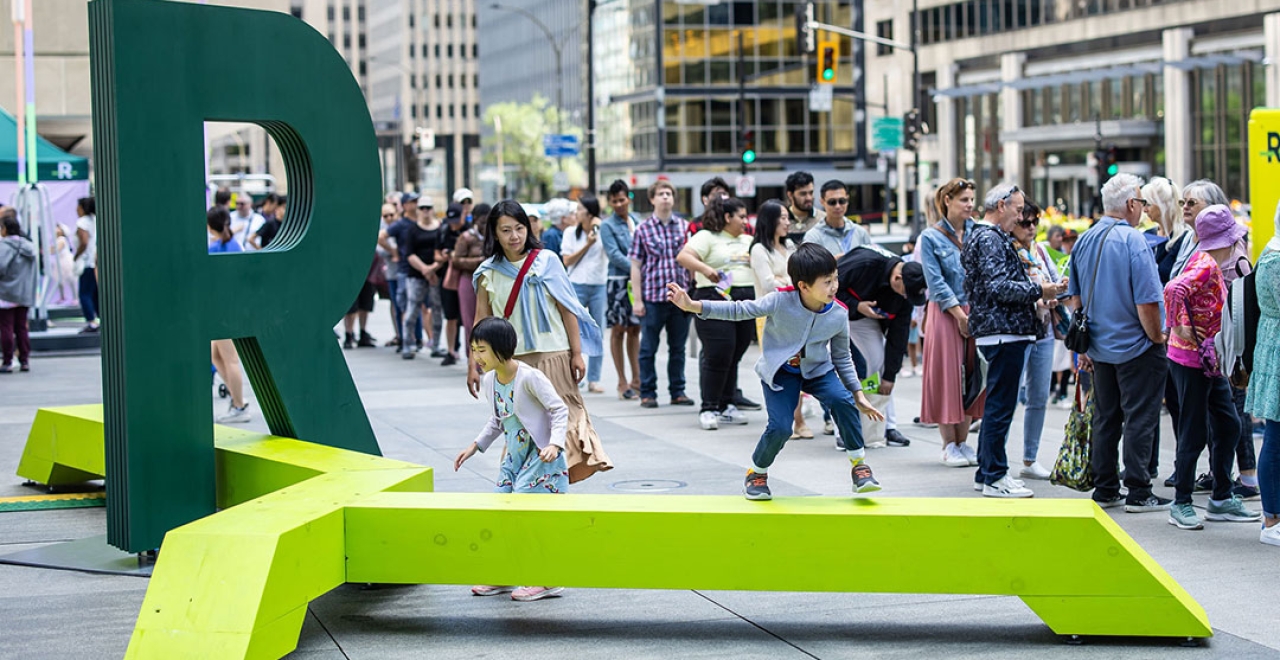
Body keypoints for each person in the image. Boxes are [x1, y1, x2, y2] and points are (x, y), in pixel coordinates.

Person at [665, 243, 886, 500]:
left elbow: (841, 356)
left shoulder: (838, 312)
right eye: (827, 282)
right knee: (781, 427)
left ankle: (860, 467)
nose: (834, 286)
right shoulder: (780, 301)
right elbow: (739, 309)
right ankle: (756, 472)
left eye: (835, 278)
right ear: (803, 285)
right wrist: (693, 306)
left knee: (842, 401)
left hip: (817, 371)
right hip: (780, 372)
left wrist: (857, 393)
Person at [470, 200, 612, 483]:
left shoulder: (547, 260)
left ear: (529, 227)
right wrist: (473, 363)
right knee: (521, 426)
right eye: (506, 230)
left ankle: (556, 482)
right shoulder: (487, 272)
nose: (514, 236)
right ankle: (521, 485)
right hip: (513, 361)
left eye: (519, 228)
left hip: (554, 354)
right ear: (494, 234)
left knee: (565, 416)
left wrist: (577, 353)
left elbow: (566, 308)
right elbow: (481, 323)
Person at [1065, 173, 1170, 513]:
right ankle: (1139, 489)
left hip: (1099, 346)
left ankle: (1106, 486)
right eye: (1140, 202)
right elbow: (1147, 301)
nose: (1141, 208)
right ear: (1129, 204)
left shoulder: (1085, 239)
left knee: (1106, 417)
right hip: (1136, 346)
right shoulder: (1132, 240)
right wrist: (1158, 337)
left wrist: (1084, 347)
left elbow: (1075, 297)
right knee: (1141, 416)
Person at [454, 316, 569, 602]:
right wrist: (475, 446)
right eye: (473, 349)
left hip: (541, 458)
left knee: (529, 518)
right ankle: (505, 573)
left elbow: (559, 409)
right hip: (514, 460)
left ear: (501, 348)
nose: (476, 356)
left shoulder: (530, 377)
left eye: (481, 349)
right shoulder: (491, 379)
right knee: (503, 513)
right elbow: (497, 420)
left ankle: (546, 579)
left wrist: (555, 444)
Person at [963, 185, 1067, 498]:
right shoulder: (990, 238)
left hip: (1002, 331)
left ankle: (987, 473)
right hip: (1003, 332)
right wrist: (1041, 292)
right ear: (1000, 205)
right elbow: (999, 287)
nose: (1021, 217)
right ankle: (995, 476)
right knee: (1000, 407)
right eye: (1018, 210)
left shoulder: (986, 237)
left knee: (997, 405)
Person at [1163, 204, 1261, 530]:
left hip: (1206, 360)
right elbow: (1173, 288)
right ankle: (1182, 502)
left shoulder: (1206, 261)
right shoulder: (1206, 264)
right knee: (1194, 431)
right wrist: (1177, 326)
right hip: (1192, 360)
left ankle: (1220, 497)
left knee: (1228, 424)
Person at [836, 243, 928, 449]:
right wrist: (855, 305)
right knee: (844, 370)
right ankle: (843, 430)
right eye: (906, 293)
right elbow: (827, 288)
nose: (906, 298)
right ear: (897, 278)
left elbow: (899, 336)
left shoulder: (904, 293)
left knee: (879, 369)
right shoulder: (864, 264)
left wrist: (890, 377)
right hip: (836, 310)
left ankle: (884, 427)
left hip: (867, 318)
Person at [677, 196, 756, 430]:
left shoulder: (749, 239)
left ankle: (727, 403)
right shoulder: (707, 236)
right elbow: (683, 256)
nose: (745, 220)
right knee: (718, 353)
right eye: (741, 216)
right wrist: (706, 269)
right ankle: (709, 407)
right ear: (727, 217)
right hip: (713, 298)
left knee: (735, 353)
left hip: (745, 302)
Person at [918, 178, 982, 467]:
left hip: (976, 309)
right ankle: (948, 444)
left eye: (971, 199)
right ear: (947, 201)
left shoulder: (979, 233)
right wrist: (960, 315)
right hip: (945, 311)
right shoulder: (930, 237)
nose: (969, 204)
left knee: (974, 374)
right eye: (963, 199)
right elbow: (936, 283)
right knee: (947, 376)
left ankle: (964, 442)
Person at [630, 180, 695, 409]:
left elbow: (692, 260)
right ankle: (648, 393)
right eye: (661, 194)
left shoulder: (684, 227)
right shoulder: (642, 229)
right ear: (652, 199)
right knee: (648, 348)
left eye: (669, 193)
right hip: (653, 298)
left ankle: (678, 391)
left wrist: (692, 288)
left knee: (678, 348)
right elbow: (635, 266)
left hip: (680, 298)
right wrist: (637, 300)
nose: (665, 197)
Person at [1012, 201, 1063, 481]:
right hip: (1016, 332)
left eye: (1035, 223)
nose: (1031, 228)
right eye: (1025, 223)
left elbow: (1053, 281)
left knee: (1039, 397)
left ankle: (1030, 459)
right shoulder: (1008, 251)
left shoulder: (1040, 251)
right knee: (1006, 397)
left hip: (1042, 330)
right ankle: (994, 461)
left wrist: (1058, 291)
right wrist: (1040, 295)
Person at [750, 200, 809, 438]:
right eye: (783, 218)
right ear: (770, 220)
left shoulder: (790, 246)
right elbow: (767, 284)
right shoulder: (759, 250)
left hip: (795, 313)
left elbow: (799, 275)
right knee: (781, 367)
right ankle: (792, 419)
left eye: (787, 218)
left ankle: (798, 418)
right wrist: (789, 283)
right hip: (770, 316)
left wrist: (783, 280)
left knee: (800, 365)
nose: (787, 222)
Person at [1246, 203, 1280, 546]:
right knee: (1276, 435)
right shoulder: (1276, 259)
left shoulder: (1270, 251)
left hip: (1273, 347)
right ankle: (1271, 518)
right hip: (1277, 350)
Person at [206, 207, 251, 423]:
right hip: (231, 308)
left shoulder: (214, 248)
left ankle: (240, 406)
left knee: (230, 359)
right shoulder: (235, 245)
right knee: (216, 356)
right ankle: (236, 400)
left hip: (222, 310)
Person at [559, 195, 608, 393]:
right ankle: (573, 374)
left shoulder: (603, 231)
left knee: (597, 331)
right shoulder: (571, 233)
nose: (576, 213)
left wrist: (602, 228)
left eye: (579, 209)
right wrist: (587, 244)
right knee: (572, 330)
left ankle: (594, 378)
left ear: (589, 213)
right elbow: (567, 261)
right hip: (576, 285)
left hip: (598, 285)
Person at [600, 180, 642, 399]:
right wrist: (637, 268)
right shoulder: (607, 226)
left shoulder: (637, 221)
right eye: (614, 201)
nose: (618, 204)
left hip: (636, 283)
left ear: (629, 198)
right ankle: (622, 382)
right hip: (618, 281)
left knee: (635, 329)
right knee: (618, 329)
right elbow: (614, 254)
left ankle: (637, 379)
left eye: (622, 199)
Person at [401, 198, 444, 359]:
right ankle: (407, 343)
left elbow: (444, 252)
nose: (426, 211)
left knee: (437, 309)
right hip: (416, 275)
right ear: (418, 210)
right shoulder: (412, 230)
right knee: (412, 308)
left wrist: (433, 269)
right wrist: (425, 269)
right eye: (422, 208)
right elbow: (409, 254)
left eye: (428, 208)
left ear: (433, 209)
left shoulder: (440, 227)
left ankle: (436, 344)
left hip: (435, 274)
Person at [386, 194, 424, 352]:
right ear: (404, 205)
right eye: (412, 202)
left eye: (417, 201)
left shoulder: (422, 222)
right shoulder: (401, 224)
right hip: (405, 270)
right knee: (404, 307)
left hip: (423, 269)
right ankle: (406, 340)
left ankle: (418, 338)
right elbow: (382, 236)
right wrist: (393, 252)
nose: (415, 205)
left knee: (421, 306)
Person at [451, 202, 490, 355]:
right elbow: (456, 260)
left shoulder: (494, 236)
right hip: (468, 280)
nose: (485, 225)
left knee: (488, 322)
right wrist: (477, 261)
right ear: (474, 219)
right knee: (470, 321)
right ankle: (473, 358)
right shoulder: (466, 237)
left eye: (488, 221)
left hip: (488, 281)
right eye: (482, 221)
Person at [0, 213, 36, 373]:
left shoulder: (4, 246)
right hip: (24, 293)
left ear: (5, 229)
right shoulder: (28, 246)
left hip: (5, 293)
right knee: (22, 328)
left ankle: (8, 361)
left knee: (6, 327)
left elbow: (1, 267)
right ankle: (25, 360)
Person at [436, 203, 469, 365]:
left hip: (467, 278)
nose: (453, 224)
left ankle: (473, 353)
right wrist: (444, 256)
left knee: (470, 318)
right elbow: (436, 254)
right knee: (450, 316)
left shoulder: (470, 232)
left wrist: (457, 256)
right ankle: (451, 350)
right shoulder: (444, 231)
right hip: (448, 279)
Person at [805, 180, 870, 258]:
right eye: (832, 202)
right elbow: (808, 268)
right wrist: (832, 263)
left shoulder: (860, 233)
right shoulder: (813, 237)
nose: (837, 206)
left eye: (842, 201)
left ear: (847, 200)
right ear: (822, 202)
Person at [72, 196, 99, 334]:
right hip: (93, 261)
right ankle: (99, 318)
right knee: (94, 292)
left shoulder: (82, 222)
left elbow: (84, 242)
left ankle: (91, 321)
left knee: (84, 294)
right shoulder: (94, 220)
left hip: (85, 262)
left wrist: (76, 256)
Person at [784, 171, 824, 245]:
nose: (809, 198)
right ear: (790, 195)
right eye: (803, 194)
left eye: (811, 193)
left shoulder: (823, 219)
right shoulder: (782, 220)